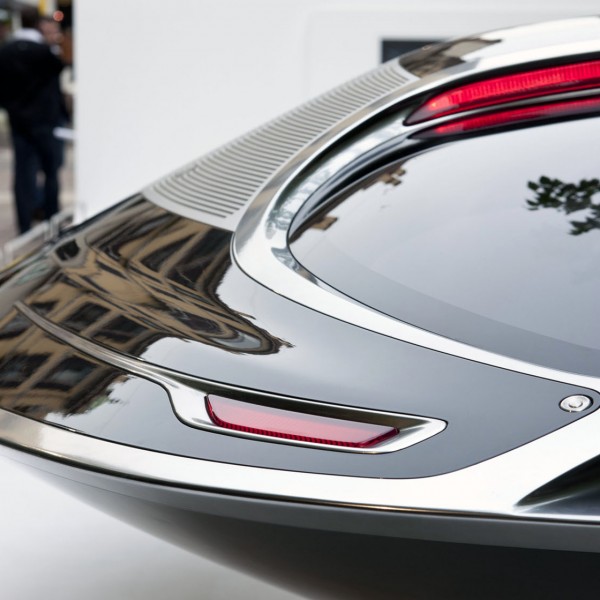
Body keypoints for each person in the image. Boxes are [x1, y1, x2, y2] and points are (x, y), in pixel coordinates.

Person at [0, 8, 66, 234]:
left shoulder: (6, 51)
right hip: (45, 122)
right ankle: (51, 220)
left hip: (19, 122)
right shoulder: (44, 52)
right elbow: (57, 76)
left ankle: (24, 224)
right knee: (50, 172)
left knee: (22, 175)